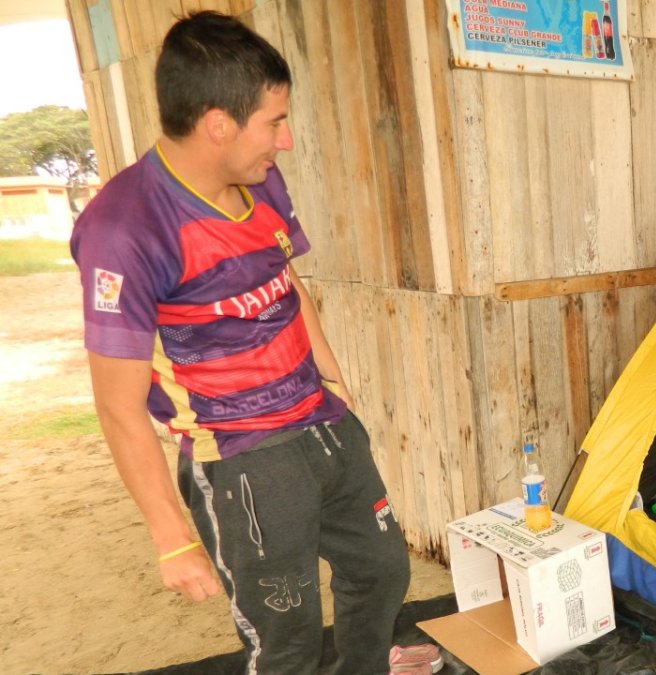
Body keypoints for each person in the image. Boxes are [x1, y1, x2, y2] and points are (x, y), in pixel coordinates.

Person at [71, 11, 428, 674]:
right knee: (285, 635)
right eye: (274, 121)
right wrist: (171, 536)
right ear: (216, 123)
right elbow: (118, 404)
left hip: (321, 423)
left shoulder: (260, 180)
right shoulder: (125, 229)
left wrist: (336, 384)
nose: (285, 141)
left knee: (381, 571)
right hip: (241, 459)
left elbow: (283, 277)